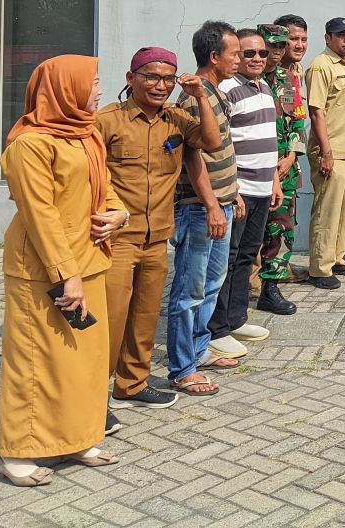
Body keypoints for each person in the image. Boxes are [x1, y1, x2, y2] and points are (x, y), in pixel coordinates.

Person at [0, 56, 124, 486]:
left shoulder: (85, 135)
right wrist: (64, 274)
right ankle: (15, 452)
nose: (101, 91)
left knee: (83, 363)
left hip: (89, 260)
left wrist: (117, 215)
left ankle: (76, 439)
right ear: (66, 88)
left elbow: (104, 190)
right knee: (34, 363)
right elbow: (40, 214)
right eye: (94, 82)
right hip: (42, 269)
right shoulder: (30, 145)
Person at [96, 47, 221, 412]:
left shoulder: (176, 119)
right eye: (151, 77)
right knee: (110, 321)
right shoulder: (107, 122)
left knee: (145, 316)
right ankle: (90, 397)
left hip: (157, 236)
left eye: (168, 78)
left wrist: (200, 96)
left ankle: (131, 385)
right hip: (116, 240)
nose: (160, 85)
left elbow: (211, 142)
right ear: (130, 78)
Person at [170, 22, 244, 396]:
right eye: (235, 53)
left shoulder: (215, 93)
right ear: (214, 57)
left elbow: (224, 150)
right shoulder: (191, 98)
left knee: (211, 286)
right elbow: (192, 159)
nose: (241, 59)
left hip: (222, 204)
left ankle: (199, 351)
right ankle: (182, 368)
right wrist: (214, 205)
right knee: (189, 292)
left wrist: (233, 195)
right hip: (200, 211)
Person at [209, 29, 285, 356]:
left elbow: (267, 140)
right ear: (236, 55)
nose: (256, 59)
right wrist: (232, 191)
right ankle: (216, 329)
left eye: (262, 54)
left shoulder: (264, 86)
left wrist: (274, 181)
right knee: (226, 259)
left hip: (262, 188)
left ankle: (236, 318)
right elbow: (221, 144)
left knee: (246, 256)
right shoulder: (227, 89)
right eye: (248, 53)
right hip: (237, 191)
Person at [304, 17, 345, 291]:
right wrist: (326, 152)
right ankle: (319, 268)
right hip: (333, 151)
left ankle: (336, 258)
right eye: (341, 36)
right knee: (327, 211)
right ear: (328, 38)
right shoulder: (321, 66)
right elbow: (316, 111)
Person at [257, 21, 307, 293]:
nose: (275, 51)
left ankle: (271, 288)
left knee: (282, 228)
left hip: (285, 169)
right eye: (270, 46)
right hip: (253, 169)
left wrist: (290, 157)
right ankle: (245, 285)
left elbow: (298, 120)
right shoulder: (245, 79)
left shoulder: (288, 80)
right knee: (249, 232)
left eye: (280, 46)